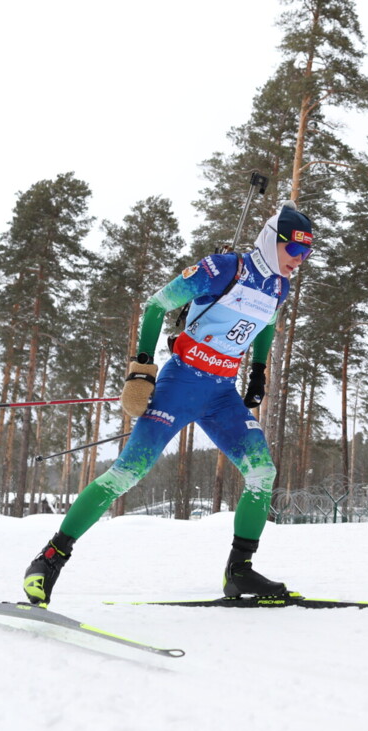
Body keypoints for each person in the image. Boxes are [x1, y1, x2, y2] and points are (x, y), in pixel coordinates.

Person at [23, 203, 314, 604]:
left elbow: (267, 324)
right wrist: (141, 368)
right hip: (180, 384)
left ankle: (239, 572)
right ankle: (49, 559)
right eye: (294, 251)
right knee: (126, 474)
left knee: (262, 473)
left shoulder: (280, 286)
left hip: (221, 394)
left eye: (307, 254)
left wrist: (259, 370)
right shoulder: (223, 269)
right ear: (271, 240)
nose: (300, 261)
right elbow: (156, 304)